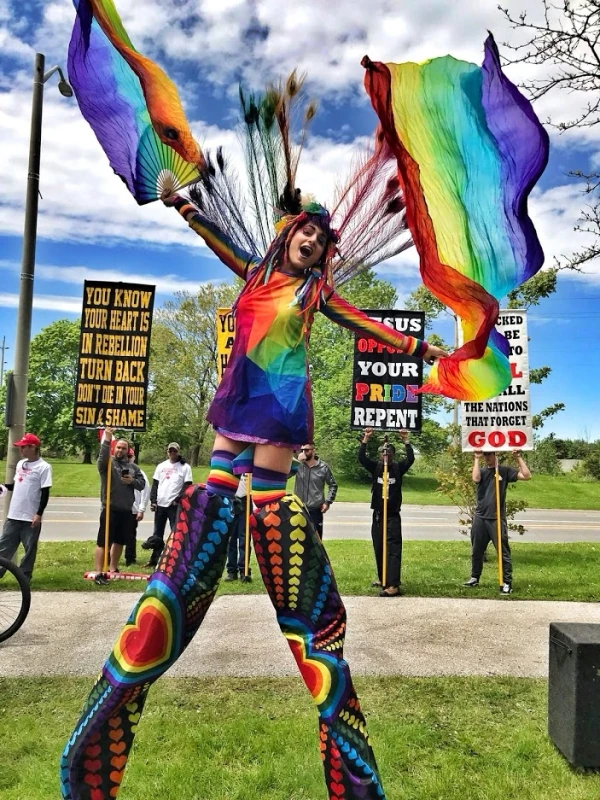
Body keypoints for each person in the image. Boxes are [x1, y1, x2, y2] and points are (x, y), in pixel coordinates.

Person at [62, 99, 445, 800]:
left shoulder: (315, 292)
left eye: (320, 243)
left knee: (268, 512)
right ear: (290, 233)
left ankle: (292, 595)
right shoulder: (255, 272)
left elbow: (368, 327)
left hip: (278, 409)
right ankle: (181, 585)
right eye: (305, 235)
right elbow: (214, 235)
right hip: (237, 401)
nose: (311, 245)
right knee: (212, 503)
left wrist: (421, 349)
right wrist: (181, 205)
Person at [463, 450, 531, 594]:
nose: (487, 457)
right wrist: (476, 458)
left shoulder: (504, 471)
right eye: (485, 454)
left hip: (496, 518)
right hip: (480, 517)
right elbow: (475, 479)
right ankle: (475, 577)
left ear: (496, 455)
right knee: (477, 550)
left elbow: (526, 476)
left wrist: (518, 457)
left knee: (503, 552)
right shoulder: (481, 471)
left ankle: (506, 582)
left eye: (489, 454)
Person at [358, 427, 414, 597]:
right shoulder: (375, 468)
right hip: (378, 515)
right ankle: (383, 577)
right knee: (379, 546)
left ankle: (393, 585)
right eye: (383, 452)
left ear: (393, 455)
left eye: (388, 452)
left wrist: (405, 440)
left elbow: (410, 459)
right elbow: (361, 458)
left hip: (392, 515)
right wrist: (366, 438)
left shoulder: (397, 469)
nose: (385, 455)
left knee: (393, 548)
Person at [94, 428, 145, 584]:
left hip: (126, 510)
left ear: (128, 451)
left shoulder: (134, 468)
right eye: (118, 447)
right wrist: (107, 438)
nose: (121, 450)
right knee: (103, 541)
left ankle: (113, 568)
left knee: (119, 541)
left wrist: (132, 482)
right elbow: (102, 457)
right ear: (114, 448)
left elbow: (142, 484)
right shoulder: (107, 463)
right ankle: (98, 573)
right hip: (110, 508)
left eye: (124, 448)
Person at [0, 433, 51, 583]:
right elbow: (17, 485)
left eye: (23, 447)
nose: (21, 450)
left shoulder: (44, 467)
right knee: (4, 546)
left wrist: (39, 513)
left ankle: (24, 578)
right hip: (14, 515)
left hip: (30, 517)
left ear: (33, 447)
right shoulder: (21, 464)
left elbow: (45, 491)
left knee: (29, 549)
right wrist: (4, 487)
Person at [141, 442, 193, 568]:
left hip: (174, 505)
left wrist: (177, 499)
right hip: (160, 504)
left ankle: (177, 560)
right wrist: (153, 500)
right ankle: (155, 560)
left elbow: (187, 485)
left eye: (174, 451)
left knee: (176, 533)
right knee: (157, 533)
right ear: (167, 451)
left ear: (178, 451)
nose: (172, 453)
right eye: (170, 451)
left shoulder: (185, 467)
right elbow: (155, 484)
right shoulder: (161, 466)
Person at [294, 442, 337, 539]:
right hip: (299, 508)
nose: (304, 452)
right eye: (302, 450)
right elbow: (286, 475)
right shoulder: (298, 465)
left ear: (313, 451)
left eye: (307, 450)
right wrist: (296, 462)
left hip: (315, 509)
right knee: (298, 540)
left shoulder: (323, 467)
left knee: (316, 540)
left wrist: (327, 502)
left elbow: (333, 485)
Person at [125, 448, 151, 567]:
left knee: (130, 535)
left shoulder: (139, 472)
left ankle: (130, 559)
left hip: (133, 509)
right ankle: (109, 558)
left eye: (130, 456)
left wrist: (141, 510)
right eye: (127, 456)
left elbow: (146, 492)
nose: (128, 458)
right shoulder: (118, 469)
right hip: (119, 508)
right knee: (114, 535)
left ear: (134, 457)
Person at [224, 473, 252, 582]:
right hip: (231, 499)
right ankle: (231, 571)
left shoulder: (248, 462)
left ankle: (244, 570)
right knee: (231, 538)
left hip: (246, 500)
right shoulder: (229, 463)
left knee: (244, 538)